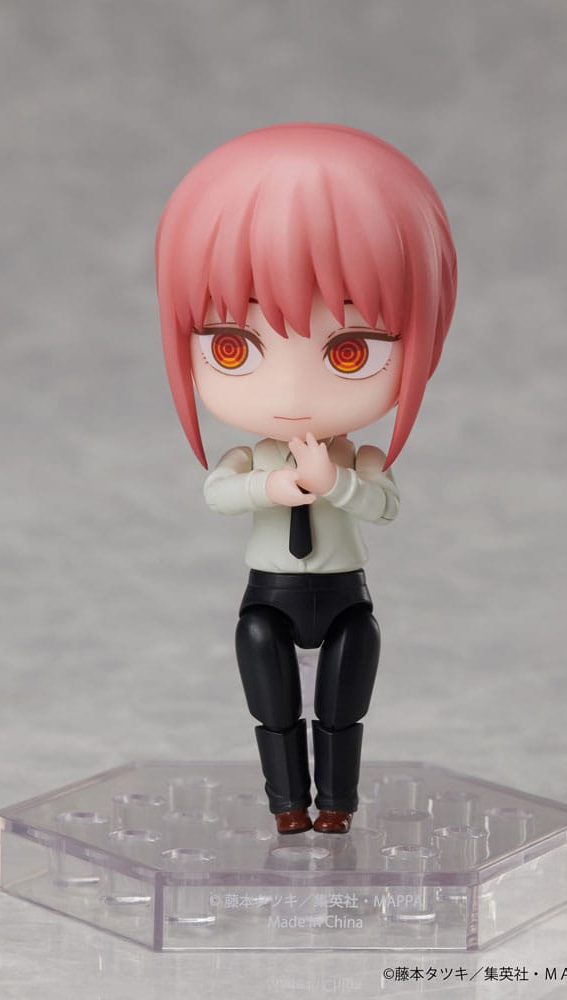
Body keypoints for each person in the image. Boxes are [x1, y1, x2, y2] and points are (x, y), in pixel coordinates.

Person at [155, 123, 457, 834]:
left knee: (343, 711)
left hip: (345, 595)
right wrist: (274, 488)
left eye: (350, 351)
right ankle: (287, 804)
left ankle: (338, 805)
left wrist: (334, 482)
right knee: (272, 706)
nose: (292, 394)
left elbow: (384, 508)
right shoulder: (255, 458)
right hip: (269, 595)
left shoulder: (359, 459)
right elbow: (218, 495)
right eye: (234, 347)